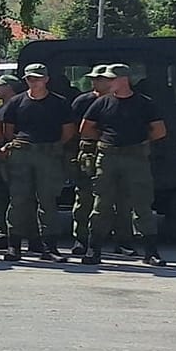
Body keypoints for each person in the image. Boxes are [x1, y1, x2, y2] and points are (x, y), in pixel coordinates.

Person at [80, 64, 167, 267]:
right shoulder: (101, 103)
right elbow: (86, 128)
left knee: (142, 204)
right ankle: (94, 250)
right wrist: (105, 140)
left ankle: (151, 252)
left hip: (136, 158)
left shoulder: (145, 104)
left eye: (112, 79)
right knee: (101, 204)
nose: (108, 82)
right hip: (108, 157)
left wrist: (140, 143)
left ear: (124, 80)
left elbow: (159, 130)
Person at [0, 64, 75, 261]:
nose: (35, 81)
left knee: (47, 201)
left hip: (48, 154)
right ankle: (14, 246)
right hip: (22, 154)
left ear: (47, 79)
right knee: (18, 200)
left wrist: (53, 147)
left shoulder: (59, 103)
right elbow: (8, 130)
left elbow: (68, 131)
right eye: (31, 78)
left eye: (38, 78)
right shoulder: (16, 102)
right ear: (25, 80)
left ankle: (49, 247)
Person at [67, 67, 110, 257]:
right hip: (88, 154)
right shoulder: (83, 101)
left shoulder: (121, 101)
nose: (95, 82)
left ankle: (122, 240)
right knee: (84, 197)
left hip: (114, 154)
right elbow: (73, 128)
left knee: (116, 199)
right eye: (93, 79)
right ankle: (81, 239)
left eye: (99, 79)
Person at [0, 73, 27, 250]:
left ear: (9, 88)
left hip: (13, 157)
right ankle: (3, 232)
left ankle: (21, 233)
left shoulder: (19, 105)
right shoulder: (0, 107)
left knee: (18, 196)